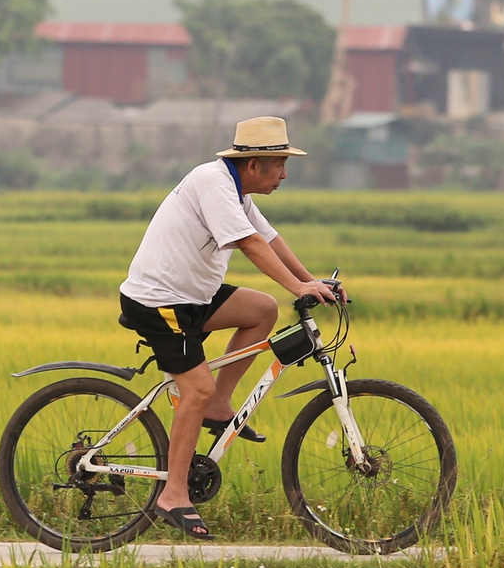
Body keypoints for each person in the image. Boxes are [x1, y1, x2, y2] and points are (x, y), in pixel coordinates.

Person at [119, 115, 341, 541]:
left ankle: (220, 405)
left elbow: (270, 239)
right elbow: (250, 244)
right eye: (280, 165)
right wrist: (298, 286)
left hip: (192, 298)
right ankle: (172, 494)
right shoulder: (214, 183)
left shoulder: (237, 192)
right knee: (194, 390)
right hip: (158, 301)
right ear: (254, 164)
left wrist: (312, 280)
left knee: (261, 309)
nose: (285, 174)